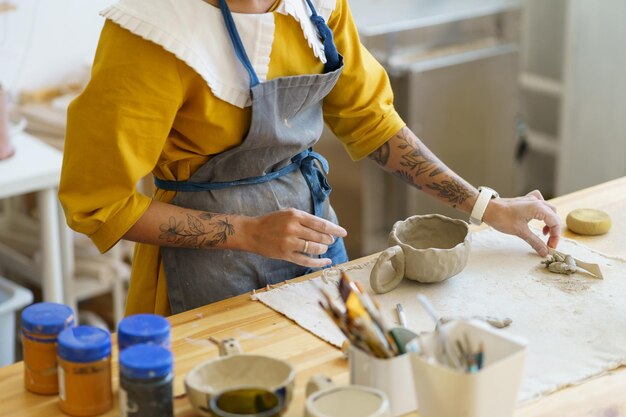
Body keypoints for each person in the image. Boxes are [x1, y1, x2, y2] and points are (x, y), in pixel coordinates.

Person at [59, 0, 560, 316]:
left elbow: (373, 121)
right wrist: (249, 233)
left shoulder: (317, 8)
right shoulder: (152, 33)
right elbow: (99, 204)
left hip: (314, 249)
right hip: (200, 274)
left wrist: (487, 208)